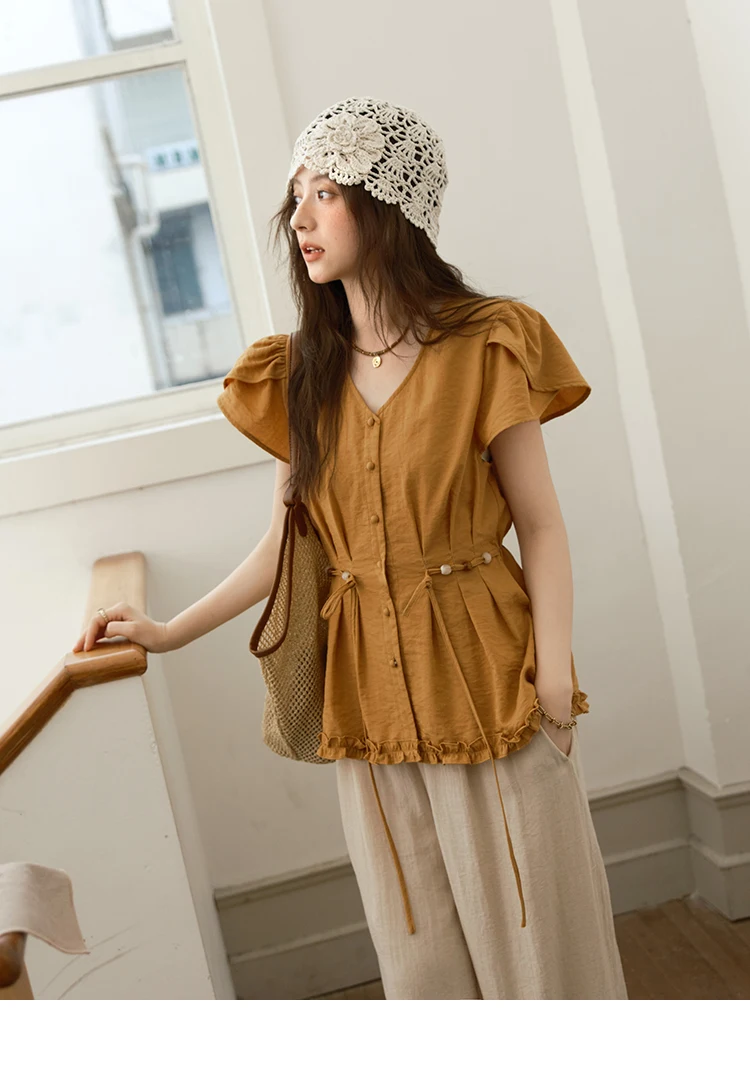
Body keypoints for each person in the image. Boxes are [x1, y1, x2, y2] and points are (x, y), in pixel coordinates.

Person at [74, 97, 628, 1000]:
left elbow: (541, 523)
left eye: (324, 193)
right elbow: (289, 544)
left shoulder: (488, 344)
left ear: (390, 205)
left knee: (543, 956)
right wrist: (169, 632)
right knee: (422, 965)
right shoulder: (300, 372)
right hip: (367, 701)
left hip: (494, 683)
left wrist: (555, 678)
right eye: (295, 195)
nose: (298, 218)